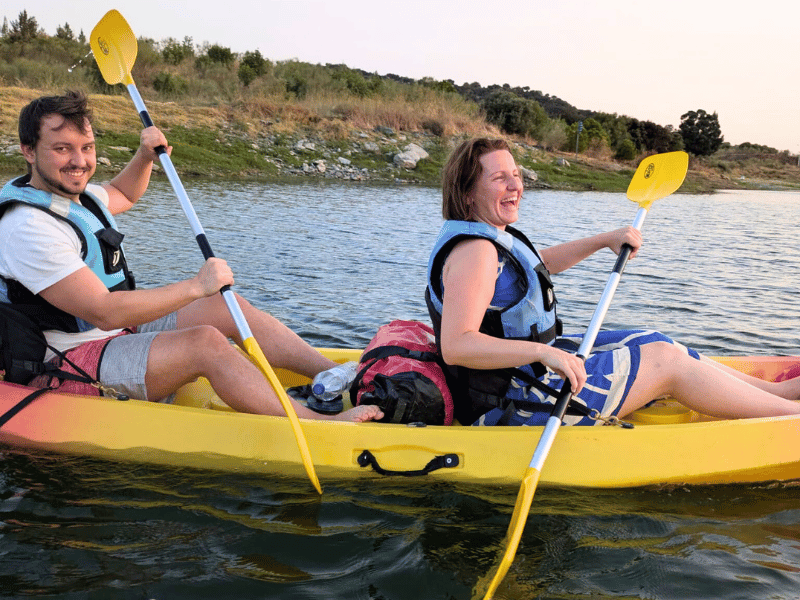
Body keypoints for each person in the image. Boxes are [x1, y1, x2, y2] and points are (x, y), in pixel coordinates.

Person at [0, 91, 382, 423]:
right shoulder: (28, 227)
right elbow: (104, 310)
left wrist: (145, 156)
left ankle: (340, 375)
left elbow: (124, 193)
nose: (79, 161)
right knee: (205, 342)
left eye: (86, 148)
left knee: (223, 307)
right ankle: (316, 423)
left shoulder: (77, 196)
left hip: (114, 333)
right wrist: (195, 286)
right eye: (62, 149)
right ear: (29, 151)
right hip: (66, 361)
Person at [425, 137, 800, 426]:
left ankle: (776, 394)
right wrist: (544, 352)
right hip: (511, 401)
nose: (516, 186)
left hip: (526, 375)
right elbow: (457, 346)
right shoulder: (474, 251)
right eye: (499, 178)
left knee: (650, 340)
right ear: (468, 193)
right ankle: (789, 418)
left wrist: (603, 240)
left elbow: (540, 266)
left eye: (517, 175)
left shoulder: (490, 235)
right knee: (665, 361)